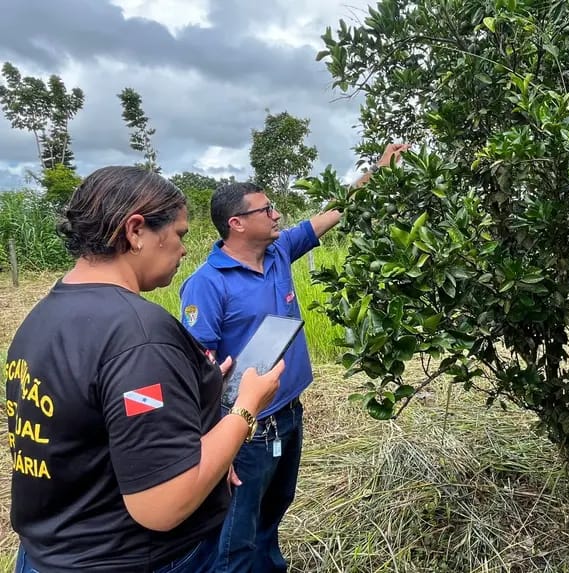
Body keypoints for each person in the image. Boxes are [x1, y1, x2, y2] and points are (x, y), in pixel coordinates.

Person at [4, 166, 283, 573]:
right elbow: (163, 504)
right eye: (180, 234)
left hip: (48, 554)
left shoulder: (44, 316)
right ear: (136, 231)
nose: (184, 250)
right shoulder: (137, 332)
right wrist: (246, 406)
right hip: (133, 558)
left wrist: (192, 391)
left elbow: (94, 422)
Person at [179, 143, 409, 572]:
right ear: (237, 224)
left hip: (288, 414)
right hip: (245, 429)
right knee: (234, 537)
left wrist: (376, 173)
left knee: (272, 516)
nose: (276, 215)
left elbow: (335, 211)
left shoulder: (280, 250)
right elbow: (198, 367)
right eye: (265, 210)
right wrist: (216, 445)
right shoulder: (206, 284)